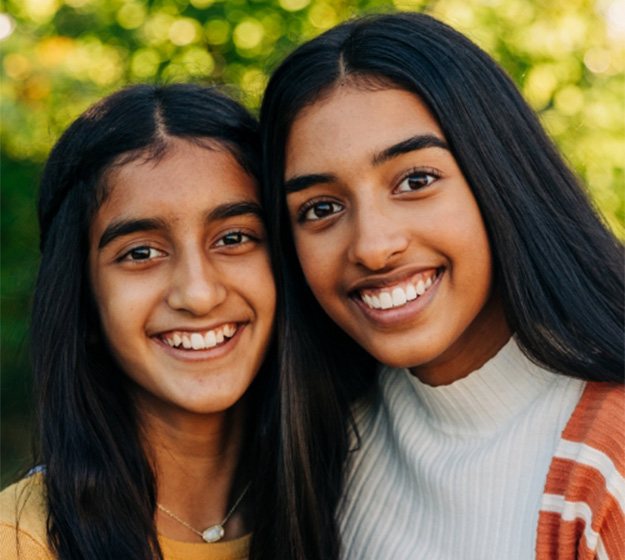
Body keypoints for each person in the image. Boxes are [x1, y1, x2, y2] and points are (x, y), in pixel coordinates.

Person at [260, 12, 624, 559]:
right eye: (321, 208)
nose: (371, 246)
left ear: (499, 175)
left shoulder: (607, 466)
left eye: (416, 180)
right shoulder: (323, 435)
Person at [0, 83, 330, 560]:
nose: (197, 294)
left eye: (234, 237)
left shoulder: (359, 502)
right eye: (141, 252)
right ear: (84, 295)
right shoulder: (20, 541)